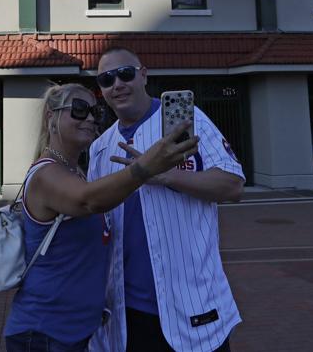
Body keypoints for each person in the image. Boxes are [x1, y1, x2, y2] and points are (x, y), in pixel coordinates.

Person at [4, 83, 198, 352]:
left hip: (76, 332)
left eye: (96, 111)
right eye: (80, 110)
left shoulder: (76, 172)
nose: (92, 118)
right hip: (45, 333)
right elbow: (89, 200)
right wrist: (147, 166)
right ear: (51, 116)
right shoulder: (45, 174)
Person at [88, 47, 244, 352]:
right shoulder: (100, 148)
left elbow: (233, 185)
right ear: (101, 90)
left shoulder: (187, 123)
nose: (117, 84)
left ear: (144, 75)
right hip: (127, 312)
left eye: (125, 73)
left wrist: (164, 176)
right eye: (107, 79)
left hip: (194, 305)